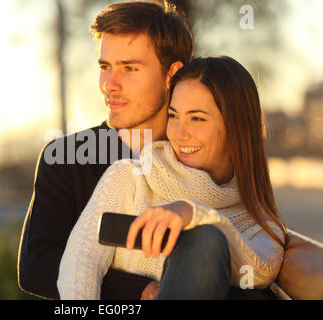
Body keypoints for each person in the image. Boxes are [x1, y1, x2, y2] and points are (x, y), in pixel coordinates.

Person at [57, 56, 287, 300]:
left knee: (206, 240)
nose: (178, 133)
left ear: (236, 126)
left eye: (197, 118)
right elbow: (79, 267)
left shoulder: (258, 221)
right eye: (174, 115)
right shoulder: (129, 178)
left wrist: (193, 214)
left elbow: (260, 271)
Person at [18, 1, 193, 299]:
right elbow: (37, 267)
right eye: (105, 67)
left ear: (171, 75)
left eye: (129, 68)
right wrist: (139, 292)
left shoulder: (199, 156)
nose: (109, 84)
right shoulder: (65, 159)